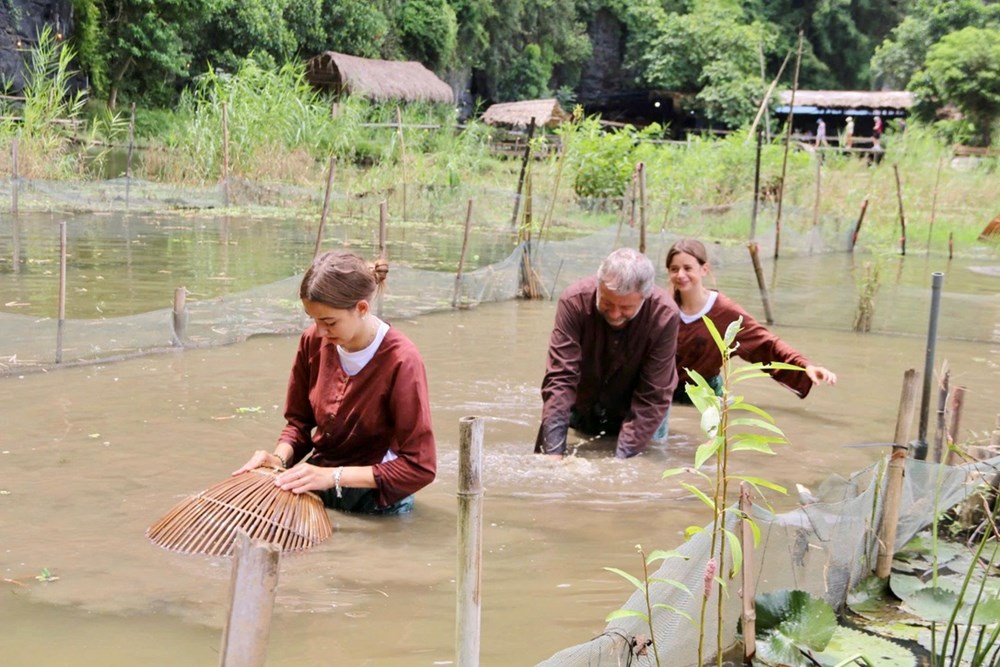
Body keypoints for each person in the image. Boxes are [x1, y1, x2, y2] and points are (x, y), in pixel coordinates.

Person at [234, 251, 436, 515]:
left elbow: (420, 467)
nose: (319, 331)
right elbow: (299, 423)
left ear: (362, 308)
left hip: (377, 503)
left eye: (329, 322)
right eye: (314, 320)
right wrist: (279, 459)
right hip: (317, 486)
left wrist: (333, 477)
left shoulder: (401, 360)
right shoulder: (313, 341)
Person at [535, 247, 679, 458]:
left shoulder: (664, 315)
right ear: (599, 285)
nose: (614, 313)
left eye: (626, 307)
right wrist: (553, 453)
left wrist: (619, 464)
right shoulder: (574, 301)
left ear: (644, 298)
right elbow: (560, 380)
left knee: (642, 462)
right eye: (607, 302)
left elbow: (653, 394)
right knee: (557, 453)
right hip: (588, 398)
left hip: (644, 407)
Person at [666, 239, 837, 403]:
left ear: (704, 269)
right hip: (661, 393)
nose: (681, 275)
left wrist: (804, 367)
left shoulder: (724, 312)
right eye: (674, 269)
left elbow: (766, 344)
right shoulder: (662, 308)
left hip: (706, 396)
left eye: (687, 268)